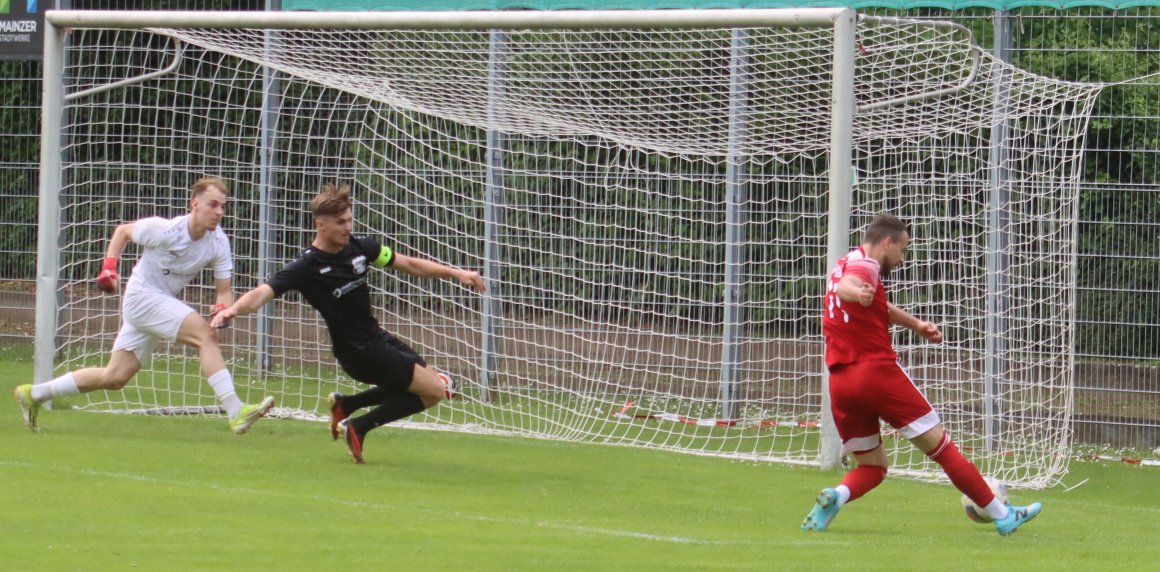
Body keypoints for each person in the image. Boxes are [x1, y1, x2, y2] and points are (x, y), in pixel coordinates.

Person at [210, 182, 486, 464]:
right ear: (320, 224)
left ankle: (348, 405)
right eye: (341, 222)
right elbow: (261, 294)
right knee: (435, 391)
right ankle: (357, 426)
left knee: (427, 383)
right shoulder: (306, 266)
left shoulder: (360, 247)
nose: (347, 227)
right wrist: (232, 310)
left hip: (377, 338)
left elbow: (410, 264)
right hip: (358, 351)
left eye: (349, 220)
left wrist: (456, 273)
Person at [802, 213, 1041, 536]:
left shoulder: (844, 263)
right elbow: (852, 285)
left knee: (873, 466)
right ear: (887, 242)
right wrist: (855, 291)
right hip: (876, 373)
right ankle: (1002, 514)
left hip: (841, 382)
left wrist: (916, 325)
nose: (901, 260)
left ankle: (836, 496)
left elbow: (872, 303)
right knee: (941, 447)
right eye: (902, 250)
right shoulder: (867, 266)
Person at [13, 177, 274, 434]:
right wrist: (109, 268)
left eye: (222, 206)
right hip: (141, 296)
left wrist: (222, 310)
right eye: (213, 204)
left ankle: (34, 393)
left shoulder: (219, 242)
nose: (219, 212)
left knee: (114, 377)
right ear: (194, 203)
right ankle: (235, 410)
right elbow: (123, 231)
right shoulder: (165, 229)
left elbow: (224, 290)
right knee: (206, 336)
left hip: (158, 302)